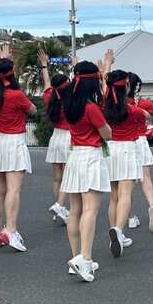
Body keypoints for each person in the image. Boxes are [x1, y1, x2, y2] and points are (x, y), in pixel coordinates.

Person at [61, 53, 114, 282]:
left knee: (75, 210)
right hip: (91, 157)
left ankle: (76, 258)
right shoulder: (91, 107)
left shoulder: (69, 102)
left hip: (74, 157)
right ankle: (86, 259)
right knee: (90, 210)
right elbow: (107, 133)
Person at [0, 49, 37, 253]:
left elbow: (1, 78)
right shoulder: (17, 95)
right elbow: (32, 109)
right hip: (14, 142)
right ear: (12, 73)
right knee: (14, 189)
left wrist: (5, 61)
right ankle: (11, 230)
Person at [103, 69, 145, 258]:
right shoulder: (134, 111)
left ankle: (115, 231)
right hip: (127, 149)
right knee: (125, 194)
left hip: (109, 150)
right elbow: (142, 123)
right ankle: (119, 232)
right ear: (127, 86)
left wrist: (107, 67)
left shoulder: (104, 108)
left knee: (113, 196)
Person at [39, 49, 72, 225]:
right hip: (68, 137)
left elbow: (47, 84)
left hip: (56, 137)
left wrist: (44, 66)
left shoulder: (49, 98)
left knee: (57, 177)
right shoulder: (72, 99)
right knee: (68, 176)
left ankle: (57, 209)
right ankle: (60, 205)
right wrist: (75, 66)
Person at [126, 74, 153, 232]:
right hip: (141, 140)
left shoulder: (121, 103)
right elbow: (152, 116)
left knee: (127, 183)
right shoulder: (145, 103)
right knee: (146, 177)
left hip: (126, 141)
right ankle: (152, 206)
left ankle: (131, 217)